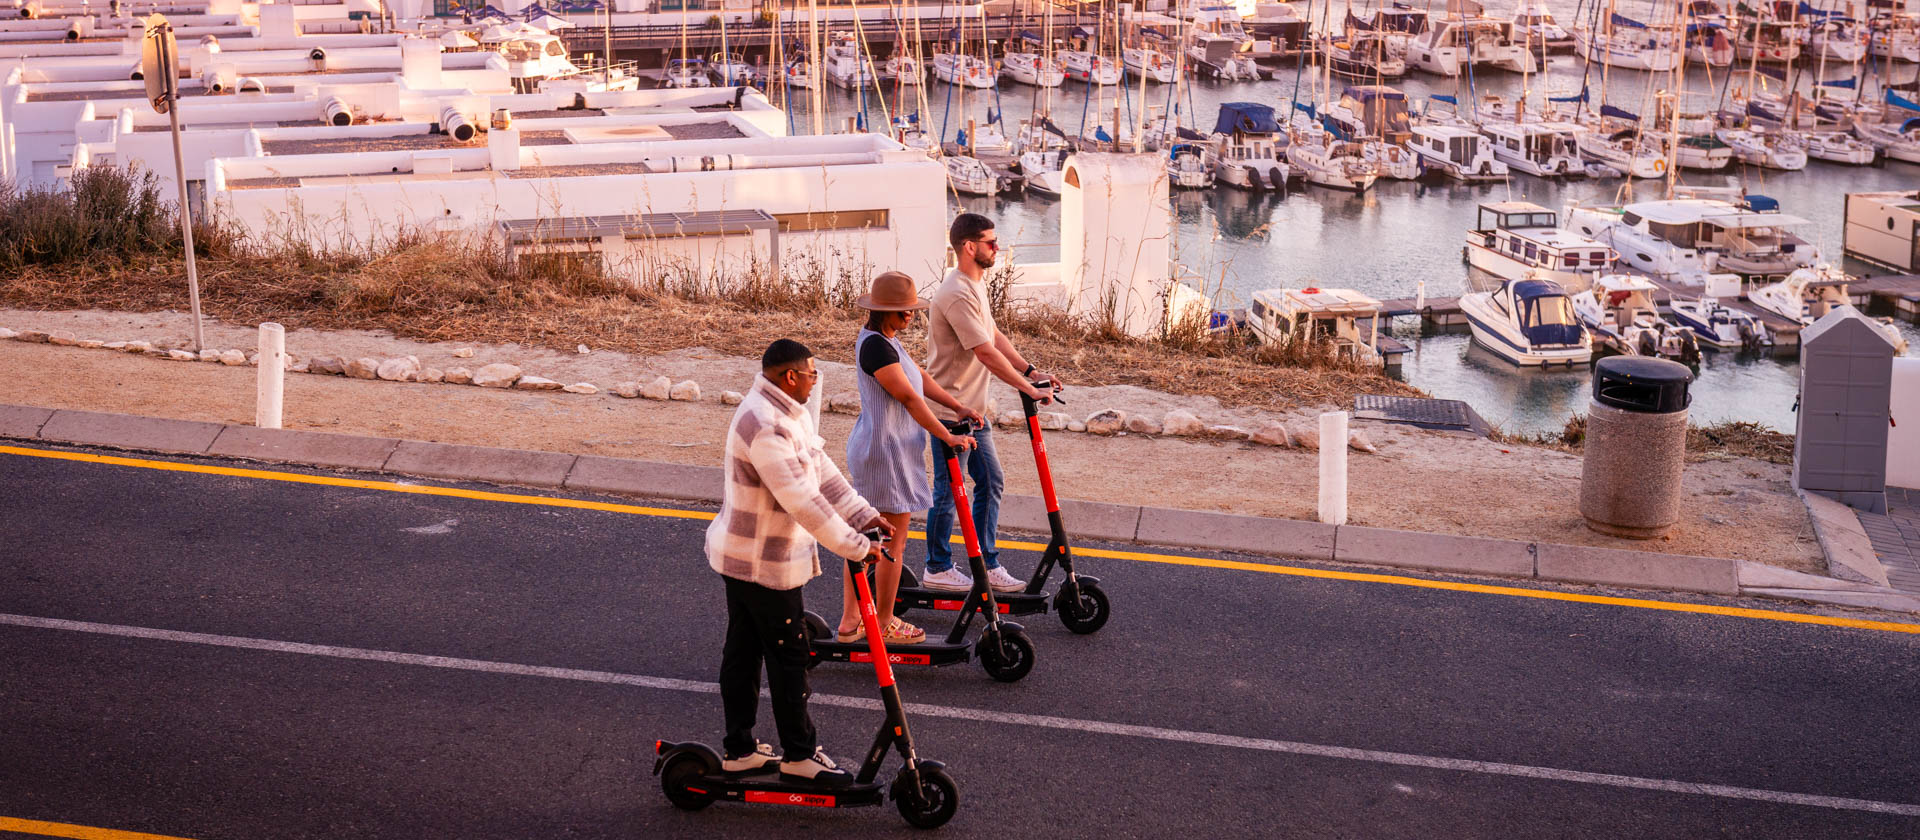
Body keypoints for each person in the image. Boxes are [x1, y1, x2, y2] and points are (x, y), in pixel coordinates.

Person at [707, 339, 893, 784]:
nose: (815, 381)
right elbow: (802, 501)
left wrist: (863, 514)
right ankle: (798, 756)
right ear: (790, 376)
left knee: (745, 652)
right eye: (812, 374)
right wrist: (855, 545)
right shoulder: (766, 426)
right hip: (761, 563)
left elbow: (821, 469)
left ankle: (740, 750)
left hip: (752, 555)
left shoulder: (786, 412)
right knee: (789, 659)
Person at [839, 271, 983, 646]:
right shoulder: (876, 348)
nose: (910, 317)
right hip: (885, 454)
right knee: (891, 543)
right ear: (883, 310)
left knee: (867, 537)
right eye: (903, 312)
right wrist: (947, 434)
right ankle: (883, 622)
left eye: (911, 311)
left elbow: (921, 379)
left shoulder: (886, 341)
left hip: (884, 450)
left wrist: (957, 406)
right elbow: (909, 398)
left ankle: (851, 622)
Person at [921, 213, 1061, 593]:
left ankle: (986, 563)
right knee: (949, 492)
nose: (997, 248)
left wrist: (1031, 371)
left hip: (974, 411)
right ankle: (936, 566)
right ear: (969, 247)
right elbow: (984, 353)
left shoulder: (975, 285)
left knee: (990, 481)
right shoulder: (956, 292)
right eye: (990, 242)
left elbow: (994, 335)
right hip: (951, 413)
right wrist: (1029, 390)